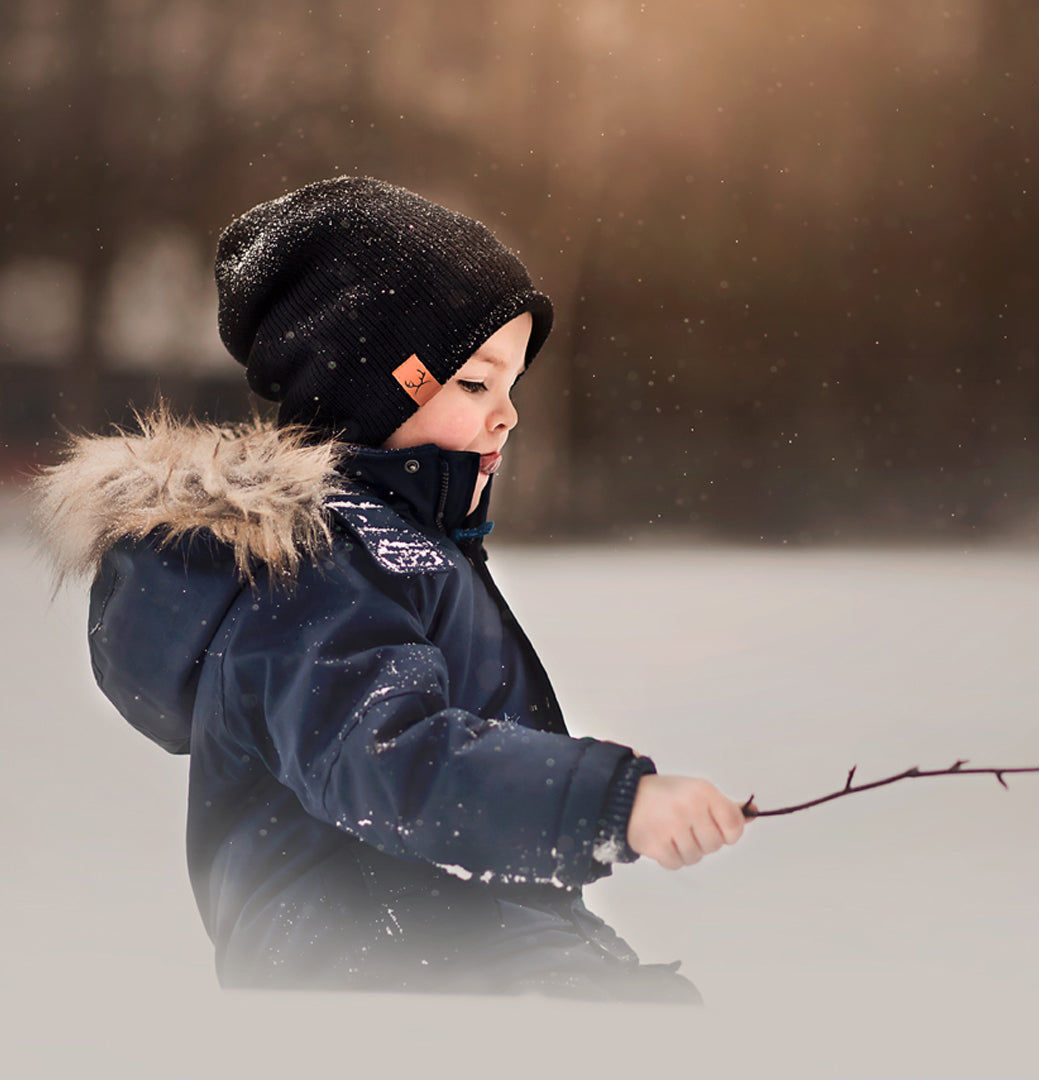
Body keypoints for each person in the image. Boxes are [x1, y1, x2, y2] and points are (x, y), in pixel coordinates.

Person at [35, 177, 750, 1001]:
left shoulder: (397, 547)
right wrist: (606, 801)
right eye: (476, 384)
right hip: (382, 975)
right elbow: (389, 760)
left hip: (446, 949)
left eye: (513, 386)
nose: (507, 414)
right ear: (377, 392)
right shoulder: (310, 561)